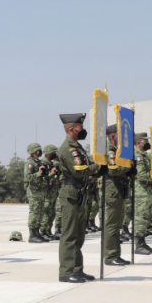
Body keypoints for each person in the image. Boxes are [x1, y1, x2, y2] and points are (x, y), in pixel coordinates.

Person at [57, 113, 94, 283]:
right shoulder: (67, 148)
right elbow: (78, 170)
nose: (82, 129)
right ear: (71, 129)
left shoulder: (78, 147)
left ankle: (77, 270)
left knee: (79, 235)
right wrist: (96, 167)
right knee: (69, 235)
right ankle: (66, 272)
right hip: (70, 194)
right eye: (80, 127)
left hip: (79, 193)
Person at [102, 124, 130, 266]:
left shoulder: (117, 150)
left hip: (119, 189)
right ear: (113, 136)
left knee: (117, 223)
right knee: (112, 225)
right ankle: (110, 255)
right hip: (112, 190)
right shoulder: (109, 150)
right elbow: (113, 170)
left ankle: (116, 254)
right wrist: (128, 166)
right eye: (119, 136)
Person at [132, 133, 152, 255]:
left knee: (146, 217)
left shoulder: (144, 155)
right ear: (138, 142)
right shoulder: (137, 156)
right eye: (144, 141)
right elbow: (141, 175)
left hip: (146, 190)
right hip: (140, 191)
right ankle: (138, 244)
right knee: (140, 217)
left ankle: (142, 242)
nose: (147, 143)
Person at [24, 143, 48, 243]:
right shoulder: (29, 163)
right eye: (38, 150)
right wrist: (38, 173)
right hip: (33, 192)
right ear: (33, 151)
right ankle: (32, 235)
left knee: (40, 212)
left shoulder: (39, 162)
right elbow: (27, 177)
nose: (40, 152)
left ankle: (37, 233)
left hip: (40, 192)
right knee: (34, 212)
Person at [41, 144, 61, 241]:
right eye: (53, 152)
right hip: (46, 193)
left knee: (52, 213)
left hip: (53, 192)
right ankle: (42, 231)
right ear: (49, 153)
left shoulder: (51, 164)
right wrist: (51, 174)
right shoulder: (43, 164)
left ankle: (48, 231)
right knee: (46, 213)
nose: (55, 154)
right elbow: (42, 179)